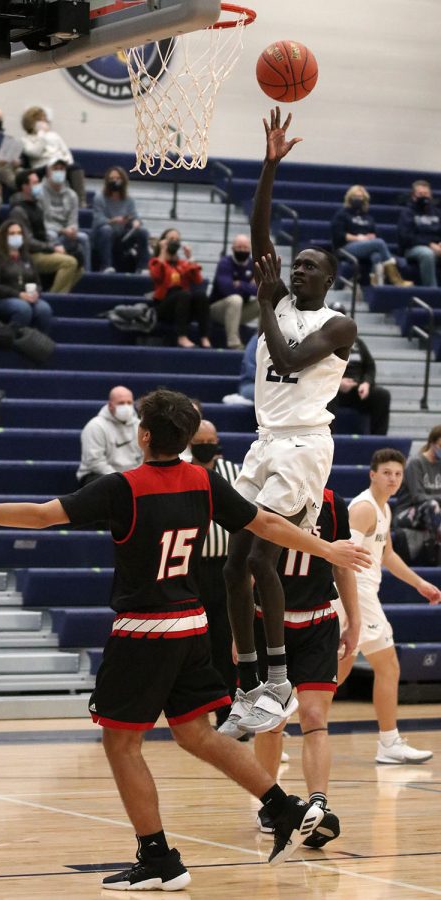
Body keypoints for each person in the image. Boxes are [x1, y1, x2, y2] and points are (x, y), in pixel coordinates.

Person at [0, 388, 370, 888]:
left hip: (145, 630)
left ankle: (157, 857)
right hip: (193, 625)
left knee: (121, 742)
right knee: (196, 733)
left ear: (144, 433)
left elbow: (42, 515)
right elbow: (265, 522)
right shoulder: (202, 480)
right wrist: (328, 548)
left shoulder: (123, 487)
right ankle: (283, 809)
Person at [221, 107, 358, 736]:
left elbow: (283, 356)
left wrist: (263, 301)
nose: (294, 269)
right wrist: (270, 165)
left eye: (307, 266)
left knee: (258, 561)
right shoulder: (276, 297)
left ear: (328, 279)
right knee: (230, 562)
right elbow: (259, 231)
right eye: (293, 264)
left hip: (304, 446)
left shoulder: (337, 325)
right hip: (263, 443)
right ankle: (248, 683)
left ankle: (278, 681)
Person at [224, 490, 361, 849]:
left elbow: (341, 563)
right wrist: (240, 634)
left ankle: (318, 804)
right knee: (273, 721)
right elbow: (244, 571)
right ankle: (271, 804)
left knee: (315, 717)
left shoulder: (333, 503)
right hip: (268, 625)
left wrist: (355, 620)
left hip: (318, 622)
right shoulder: (269, 499)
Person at [336, 448, 440, 764]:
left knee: (333, 675)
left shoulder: (384, 509)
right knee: (389, 665)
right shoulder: (364, 508)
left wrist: (419, 583)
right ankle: (389, 743)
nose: (393, 479)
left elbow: (388, 555)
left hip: (360, 596)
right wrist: (354, 608)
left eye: (397, 474)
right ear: (373, 475)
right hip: (358, 595)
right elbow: (345, 560)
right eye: (387, 473)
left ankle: (274, 726)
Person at [190, 419, 241, 727]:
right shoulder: (181, 471)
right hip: (191, 569)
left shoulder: (235, 473)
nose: (207, 444)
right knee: (194, 642)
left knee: (225, 642)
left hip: (225, 568)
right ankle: (192, 710)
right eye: (200, 440)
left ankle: (228, 713)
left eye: (211, 439)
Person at [10, 170, 81, 294]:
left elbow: (42, 234)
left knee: (79, 267)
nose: (39, 186)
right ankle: (54, 299)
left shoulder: (36, 207)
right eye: (35, 183)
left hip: (42, 250)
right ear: (24, 186)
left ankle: (55, 292)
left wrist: (55, 246)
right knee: (69, 263)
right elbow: (27, 241)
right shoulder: (18, 210)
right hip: (29, 255)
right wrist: (52, 248)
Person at [327, 301, 391, 435]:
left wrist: (367, 383)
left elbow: (370, 367)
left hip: (357, 390)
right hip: (333, 390)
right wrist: (337, 383)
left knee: (382, 395)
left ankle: (377, 441)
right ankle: (328, 438)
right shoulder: (320, 341)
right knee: (327, 397)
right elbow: (315, 371)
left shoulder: (357, 343)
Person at [0, 220, 53, 333]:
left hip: (26, 297)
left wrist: (35, 293)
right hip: (1, 300)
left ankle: (38, 345)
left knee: (44, 309)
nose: (16, 236)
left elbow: (38, 283)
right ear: (4, 236)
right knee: (23, 308)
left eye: (19, 233)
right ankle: (14, 342)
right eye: (12, 233)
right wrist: (18, 294)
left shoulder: (26, 257)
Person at [331, 185, 411, 286]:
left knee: (376, 256)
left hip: (366, 246)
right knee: (379, 243)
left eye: (361, 197)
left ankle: (375, 284)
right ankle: (395, 279)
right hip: (345, 247)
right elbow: (339, 235)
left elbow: (376, 234)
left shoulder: (368, 217)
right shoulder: (342, 214)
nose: (358, 199)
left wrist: (371, 237)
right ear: (349, 197)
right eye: (355, 196)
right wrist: (360, 238)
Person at [149, 229, 211, 349]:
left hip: (183, 306)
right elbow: (157, 276)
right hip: (164, 306)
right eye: (171, 239)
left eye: (177, 240)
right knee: (184, 294)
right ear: (163, 242)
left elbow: (198, 280)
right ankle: (182, 337)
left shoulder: (182, 263)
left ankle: (205, 337)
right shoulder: (155, 262)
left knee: (201, 295)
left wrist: (190, 257)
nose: (174, 242)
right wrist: (162, 250)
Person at [20, 106, 86, 206]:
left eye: (44, 119)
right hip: (42, 166)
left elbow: (66, 152)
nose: (44, 122)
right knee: (52, 168)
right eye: (40, 120)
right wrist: (42, 134)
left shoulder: (54, 135)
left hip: (59, 163)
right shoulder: (25, 140)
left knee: (76, 167)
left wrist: (67, 162)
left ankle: (80, 202)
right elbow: (34, 153)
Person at [76, 386, 142, 486]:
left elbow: (145, 457)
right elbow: (95, 462)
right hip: (101, 476)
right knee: (105, 483)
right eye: (121, 403)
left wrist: (136, 477)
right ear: (110, 405)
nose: (126, 407)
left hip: (132, 477)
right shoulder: (95, 426)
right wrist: (121, 479)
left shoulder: (140, 426)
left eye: (129, 403)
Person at [394, 425, 441, 563]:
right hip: (407, 513)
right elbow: (418, 497)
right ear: (432, 443)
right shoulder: (416, 463)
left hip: (434, 515)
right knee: (432, 505)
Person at [91, 167, 150, 273]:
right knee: (106, 230)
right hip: (103, 236)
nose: (115, 181)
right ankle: (106, 266)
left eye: (118, 178)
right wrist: (113, 220)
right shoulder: (99, 198)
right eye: (112, 178)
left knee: (142, 232)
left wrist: (136, 222)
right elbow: (98, 220)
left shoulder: (129, 199)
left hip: (122, 237)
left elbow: (135, 216)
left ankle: (143, 267)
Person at [40, 157, 90, 272]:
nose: (59, 172)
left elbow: (73, 220)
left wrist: (72, 230)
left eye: (62, 169)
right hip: (48, 230)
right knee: (50, 235)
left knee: (84, 238)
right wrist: (62, 230)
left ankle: (87, 273)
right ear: (48, 172)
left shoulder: (72, 195)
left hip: (67, 233)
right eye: (55, 169)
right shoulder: (40, 193)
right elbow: (42, 221)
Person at [210, 234, 259, 349]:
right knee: (235, 299)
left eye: (245, 248)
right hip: (217, 310)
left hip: (240, 310)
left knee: (264, 302)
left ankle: (261, 342)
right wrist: (248, 285)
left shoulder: (253, 265)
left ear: (250, 249)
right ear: (233, 249)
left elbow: (261, 290)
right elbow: (227, 289)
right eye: (239, 247)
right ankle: (234, 343)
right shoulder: (225, 263)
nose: (242, 250)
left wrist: (240, 284)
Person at [397, 180, 441, 287]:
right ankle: (432, 292)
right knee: (427, 254)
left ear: (431, 195)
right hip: (413, 248)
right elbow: (406, 237)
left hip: (437, 247)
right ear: (413, 196)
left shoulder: (437, 212)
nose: (424, 197)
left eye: (426, 194)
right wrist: (429, 244)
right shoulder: (407, 213)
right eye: (420, 194)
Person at [222, 331, 258, 406]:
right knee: (274, 394)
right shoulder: (257, 340)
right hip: (251, 384)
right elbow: (251, 371)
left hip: (277, 386)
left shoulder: (288, 340)